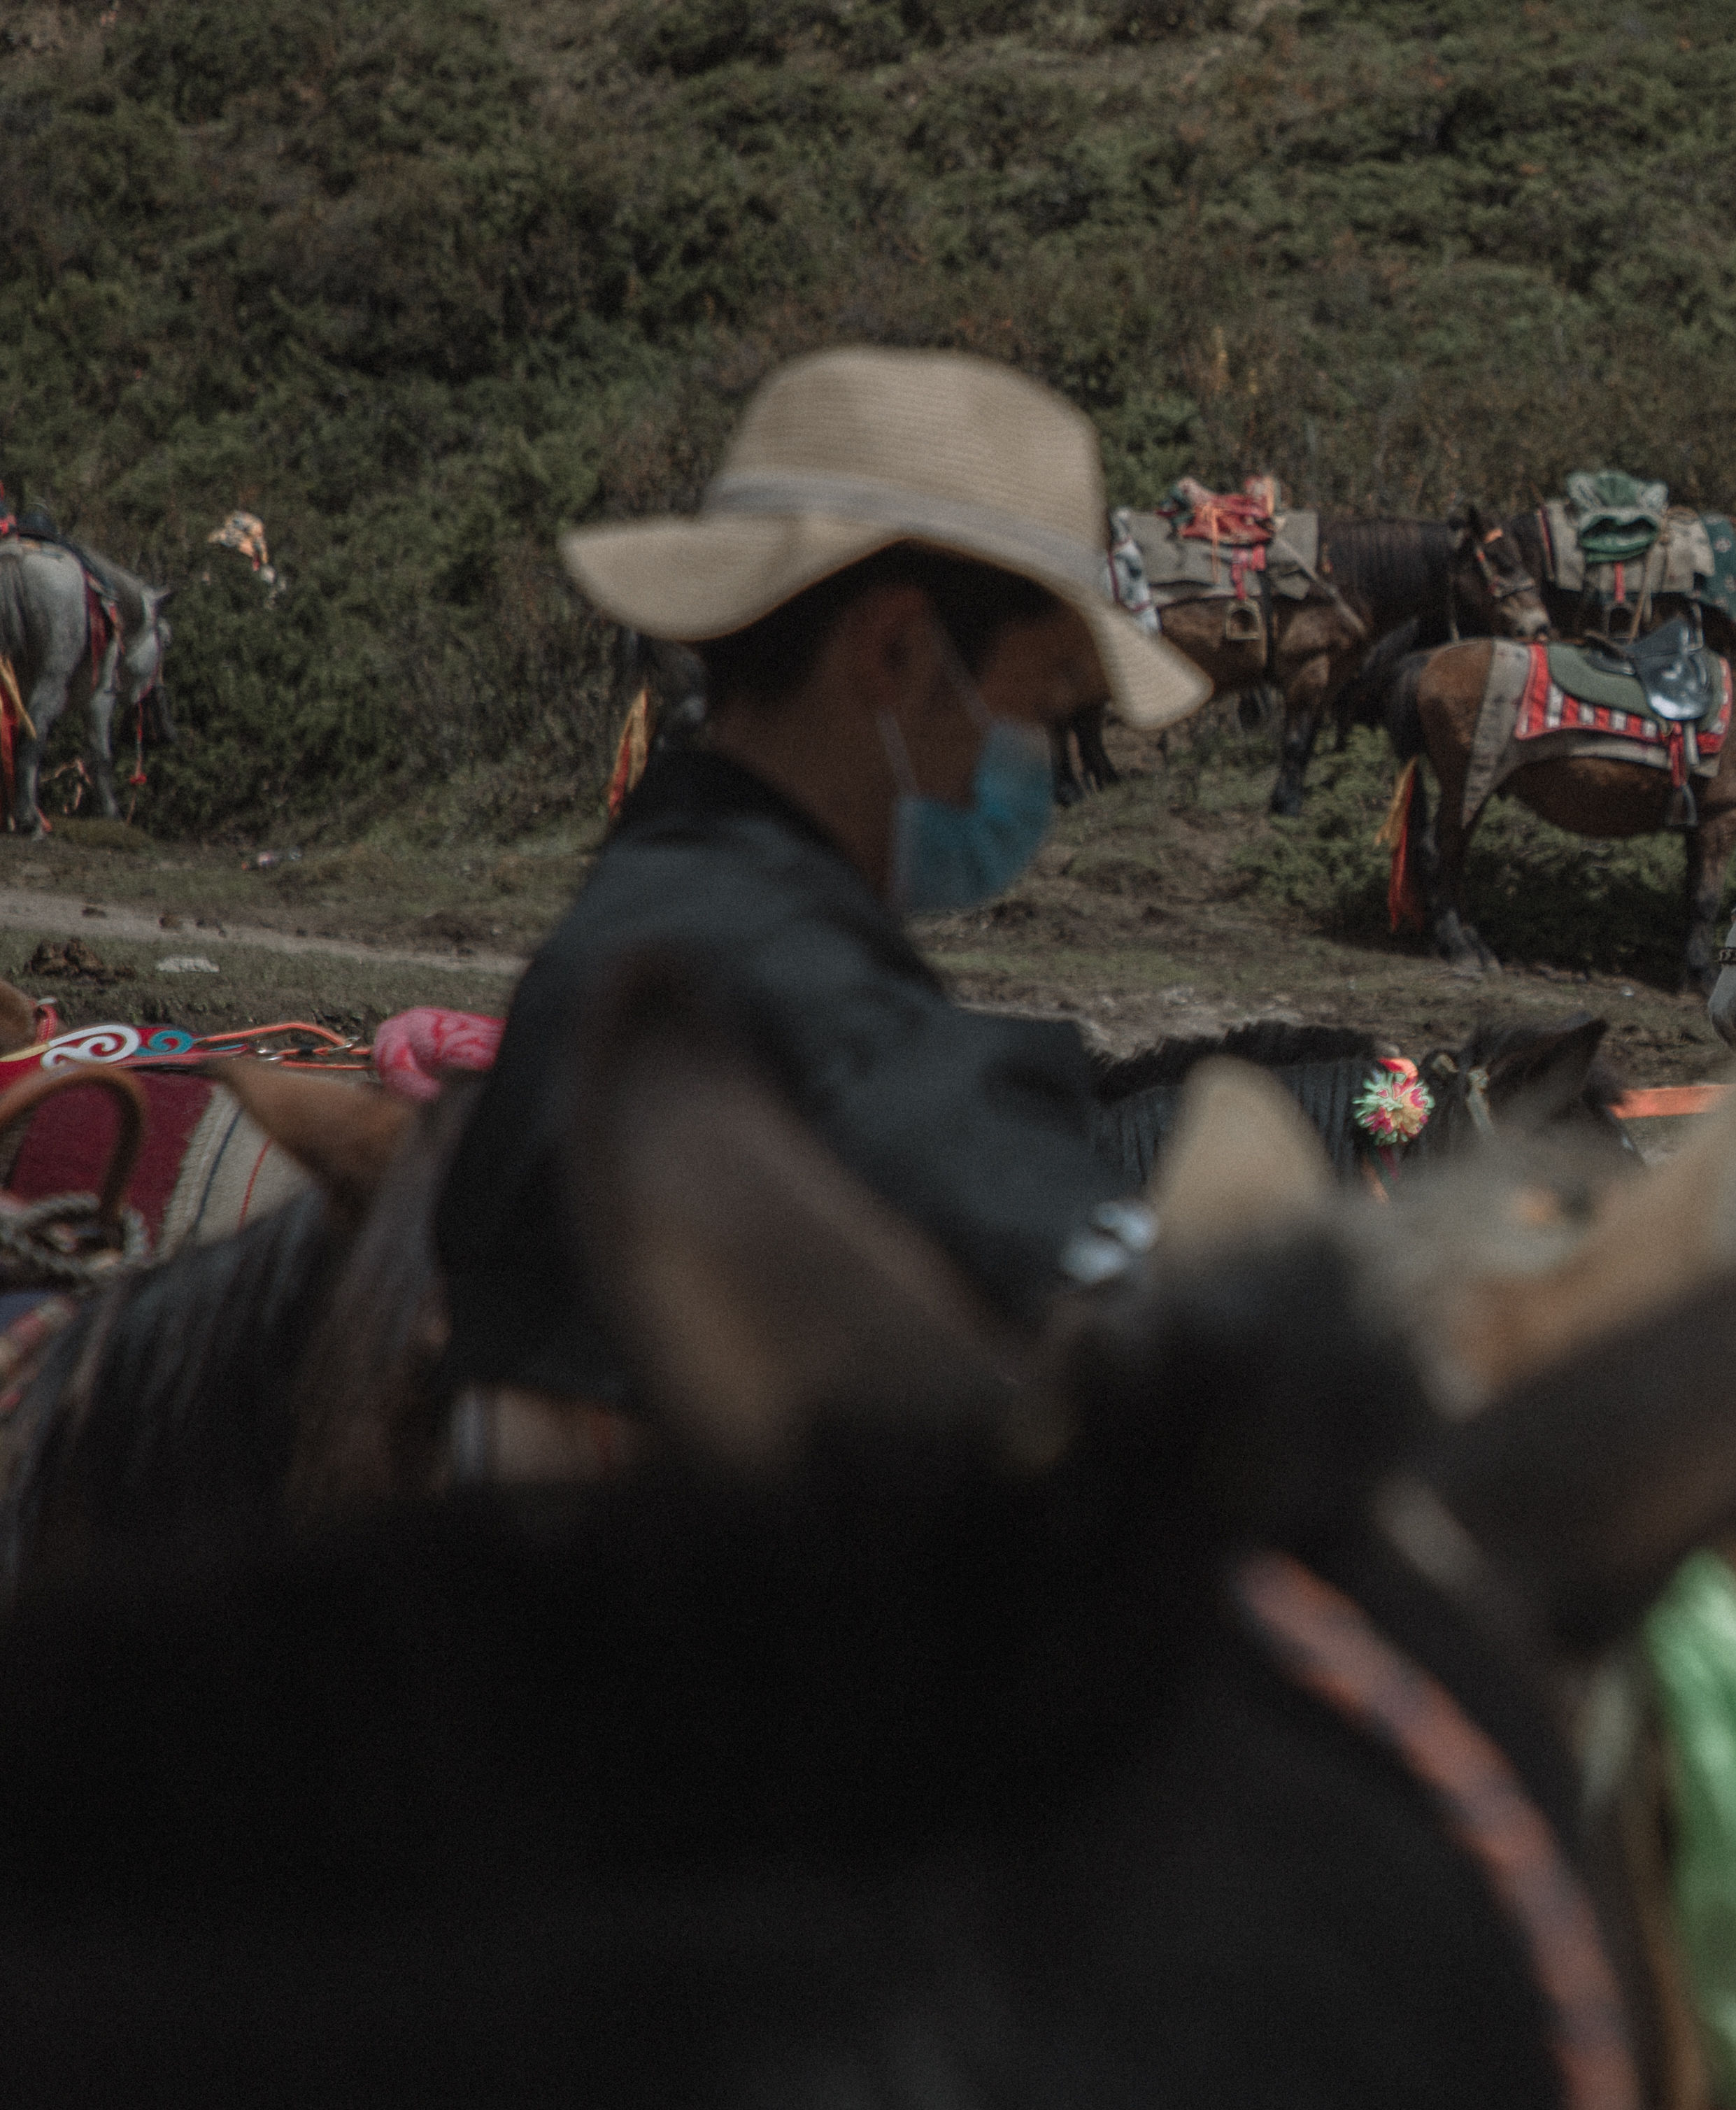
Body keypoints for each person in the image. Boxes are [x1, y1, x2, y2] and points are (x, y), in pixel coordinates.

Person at [435, 348, 1209, 1471]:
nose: (1041, 762)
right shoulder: (792, 1007)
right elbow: (1145, 1339)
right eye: (1042, 699)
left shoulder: (643, 919)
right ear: (894, 651)